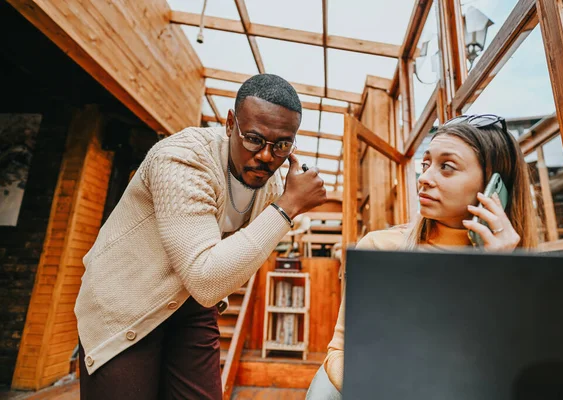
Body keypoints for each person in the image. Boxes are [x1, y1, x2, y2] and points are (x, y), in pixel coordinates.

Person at [75, 74, 327, 399]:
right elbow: (206, 277)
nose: (266, 156)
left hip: (191, 302)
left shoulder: (275, 187)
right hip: (126, 299)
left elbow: (210, 286)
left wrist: (283, 203)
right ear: (230, 123)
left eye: (281, 145)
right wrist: (287, 208)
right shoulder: (182, 159)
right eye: (253, 138)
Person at [310, 114, 538, 397]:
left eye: (447, 167)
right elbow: (339, 351)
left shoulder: (519, 270)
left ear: (494, 186)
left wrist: (498, 274)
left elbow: (508, 371)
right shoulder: (380, 247)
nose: (425, 178)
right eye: (426, 164)